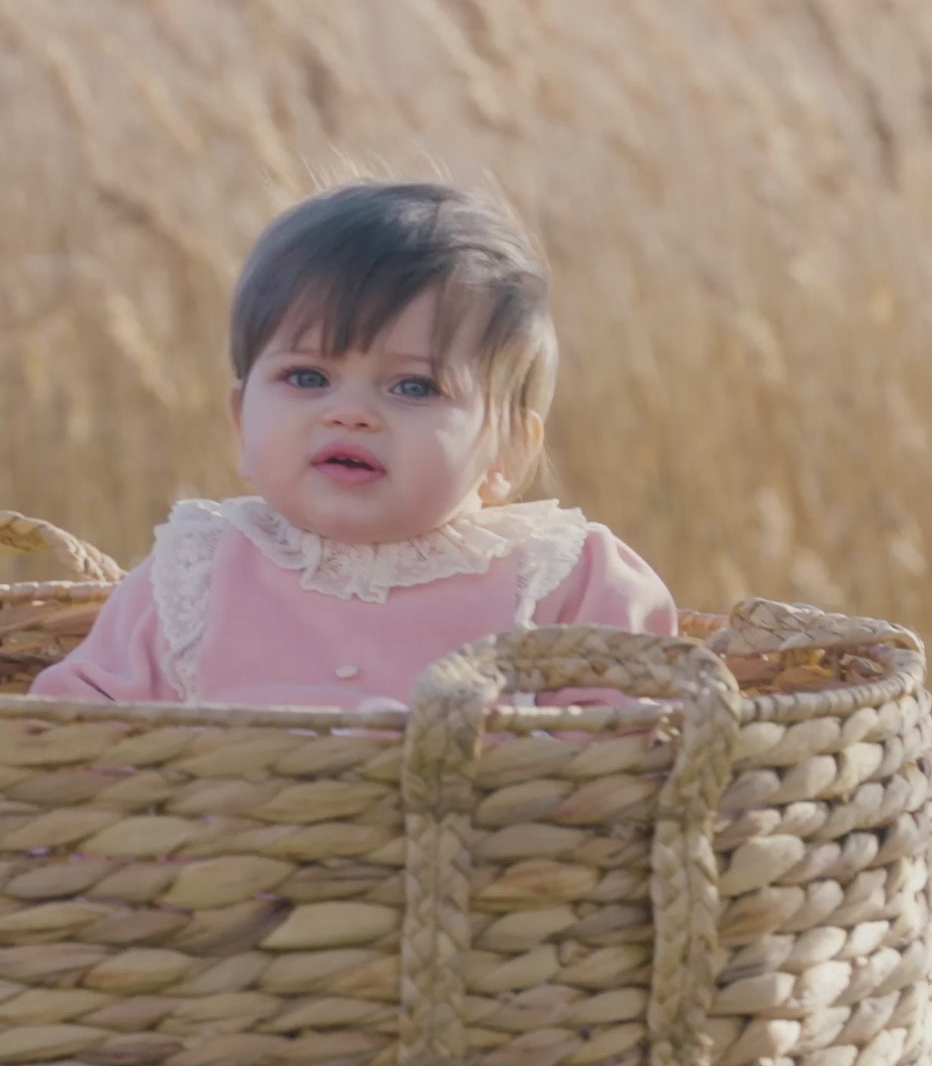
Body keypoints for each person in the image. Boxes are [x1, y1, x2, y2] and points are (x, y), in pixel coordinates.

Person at [30, 180, 677, 710]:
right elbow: (74, 737)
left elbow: (627, 755)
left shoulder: (565, 580)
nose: (349, 413)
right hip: (223, 864)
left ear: (507, 451)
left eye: (414, 386)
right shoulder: (192, 574)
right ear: (240, 424)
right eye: (307, 377)